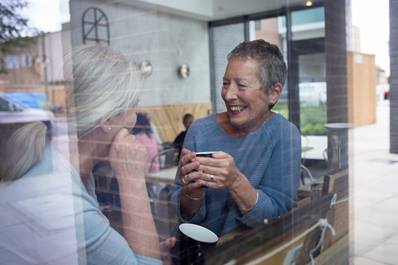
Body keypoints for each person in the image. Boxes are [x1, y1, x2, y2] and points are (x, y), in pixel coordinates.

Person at [0, 45, 174, 265]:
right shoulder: (61, 200)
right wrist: (132, 180)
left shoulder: (62, 162)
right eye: (133, 106)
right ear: (107, 119)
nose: (135, 117)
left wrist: (142, 253)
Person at [169, 40, 301, 236]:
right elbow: (184, 214)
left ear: (273, 93)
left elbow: (278, 217)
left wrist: (235, 181)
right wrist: (192, 191)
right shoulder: (200, 130)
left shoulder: (283, 134)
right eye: (225, 83)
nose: (228, 94)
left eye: (241, 85)